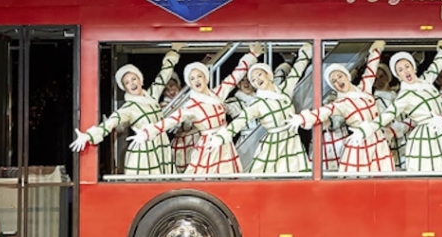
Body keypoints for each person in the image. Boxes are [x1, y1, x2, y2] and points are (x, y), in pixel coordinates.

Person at [129, 44, 260, 174]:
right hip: (208, 146)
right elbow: (170, 121)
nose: (196, 80)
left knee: (227, 178)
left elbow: (235, 76)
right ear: (189, 83)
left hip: (225, 144)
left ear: (205, 78)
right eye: (192, 79)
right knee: (203, 179)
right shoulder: (192, 106)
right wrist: (146, 133)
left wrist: (252, 55)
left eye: (199, 76)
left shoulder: (217, 94)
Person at [69, 43, 183, 175]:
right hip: (144, 154)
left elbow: (164, 75)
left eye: (133, 79)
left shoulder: (152, 95)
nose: (132, 83)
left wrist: (174, 50)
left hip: (162, 149)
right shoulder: (129, 108)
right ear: (124, 88)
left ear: (140, 80)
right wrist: (89, 136)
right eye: (127, 83)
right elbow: (111, 122)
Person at [292, 41, 393, 173]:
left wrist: (377, 50)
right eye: (334, 81)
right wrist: (302, 118)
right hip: (360, 144)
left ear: (347, 76)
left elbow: (371, 69)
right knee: (358, 184)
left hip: (378, 141)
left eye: (340, 76)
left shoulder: (364, 88)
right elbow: (324, 111)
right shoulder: (341, 102)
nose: (338, 81)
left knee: (382, 181)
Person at [211, 43, 313, 174]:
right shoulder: (258, 104)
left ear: (269, 75)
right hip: (274, 145)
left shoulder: (284, 90)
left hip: (292, 141)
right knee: (270, 177)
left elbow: (296, 71)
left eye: (259, 75)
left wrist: (306, 52)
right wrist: (221, 137)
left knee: (295, 175)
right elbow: (241, 120)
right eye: (253, 79)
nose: (256, 79)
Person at [375, 40, 442, 172]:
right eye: (400, 70)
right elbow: (387, 115)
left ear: (413, 67)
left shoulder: (426, 80)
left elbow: (437, 64)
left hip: (440, 131)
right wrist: (365, 130)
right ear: (398, 76)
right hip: (424, 137)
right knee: (428, 174)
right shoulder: (404, 95)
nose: (405, 71)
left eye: (407, 66)